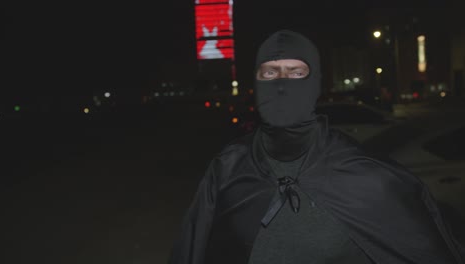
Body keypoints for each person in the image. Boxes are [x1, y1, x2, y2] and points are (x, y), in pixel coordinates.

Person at [168, 30, 464, 264]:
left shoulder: (367, 176)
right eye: (270, 72)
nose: (281, 84)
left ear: (316, 83)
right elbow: (193, 250)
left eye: (296, 72)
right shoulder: (228, 167)